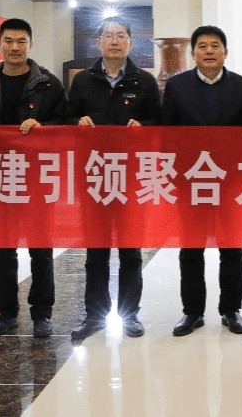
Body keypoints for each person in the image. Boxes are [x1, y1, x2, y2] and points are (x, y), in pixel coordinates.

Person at [0, 18, 69, 338]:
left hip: (37, 179)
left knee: (41, 249)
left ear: (30, 45)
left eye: (21, 41)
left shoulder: (49, 84)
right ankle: (7, 313)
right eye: (8, 41)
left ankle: (42, 314)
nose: (14, 47)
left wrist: (43, 128)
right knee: (3, 251)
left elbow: (67, 126)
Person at [64, 17, 161, 341]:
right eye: (108, 35)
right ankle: (94, 315)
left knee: (131, 251)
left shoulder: (144, 81)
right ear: (99, 43)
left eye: (121, 36)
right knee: (96, 252)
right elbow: (66, 118)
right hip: (94, 176)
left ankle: (130, 314)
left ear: (131, 43)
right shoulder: (83, 81)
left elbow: (160, 122)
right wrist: (77, 122)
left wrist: (144, 127)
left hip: (131, 177)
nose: (115, 41)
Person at [162, 25, 242, 337]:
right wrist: (174, 177)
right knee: (191, 247)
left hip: (231, 183)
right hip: (191, 181)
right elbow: (167, 135)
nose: (209, 51)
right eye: (202, 46)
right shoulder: (177, 86)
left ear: (225, 52)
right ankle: (192, 312)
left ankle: (231, 309)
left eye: (215, 45)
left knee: (232, 247)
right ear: (193, 53)